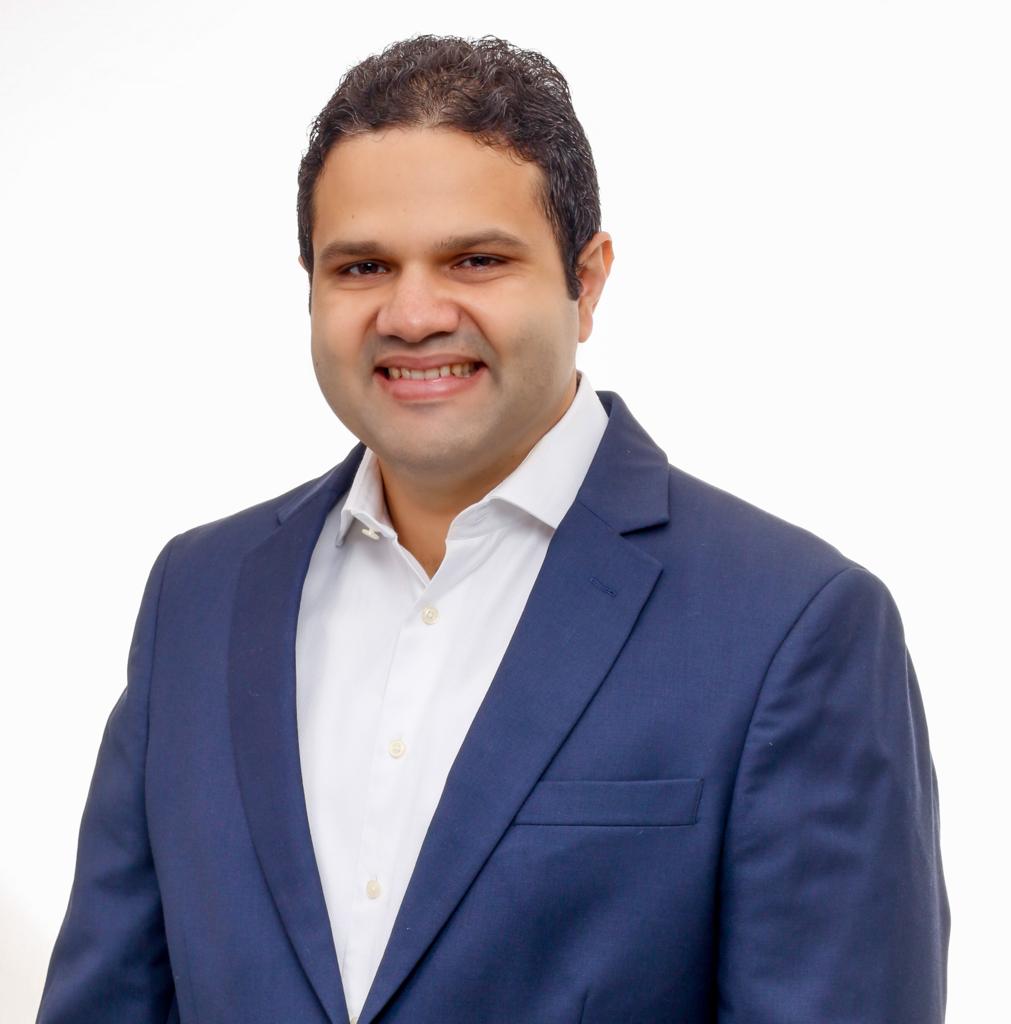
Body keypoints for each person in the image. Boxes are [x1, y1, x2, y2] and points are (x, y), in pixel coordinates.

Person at [37, 33, 949, 1024]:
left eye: (475, 259)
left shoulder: (791, 626)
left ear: (586, 282)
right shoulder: (199, 595)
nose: (412, 313)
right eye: (362, 266)